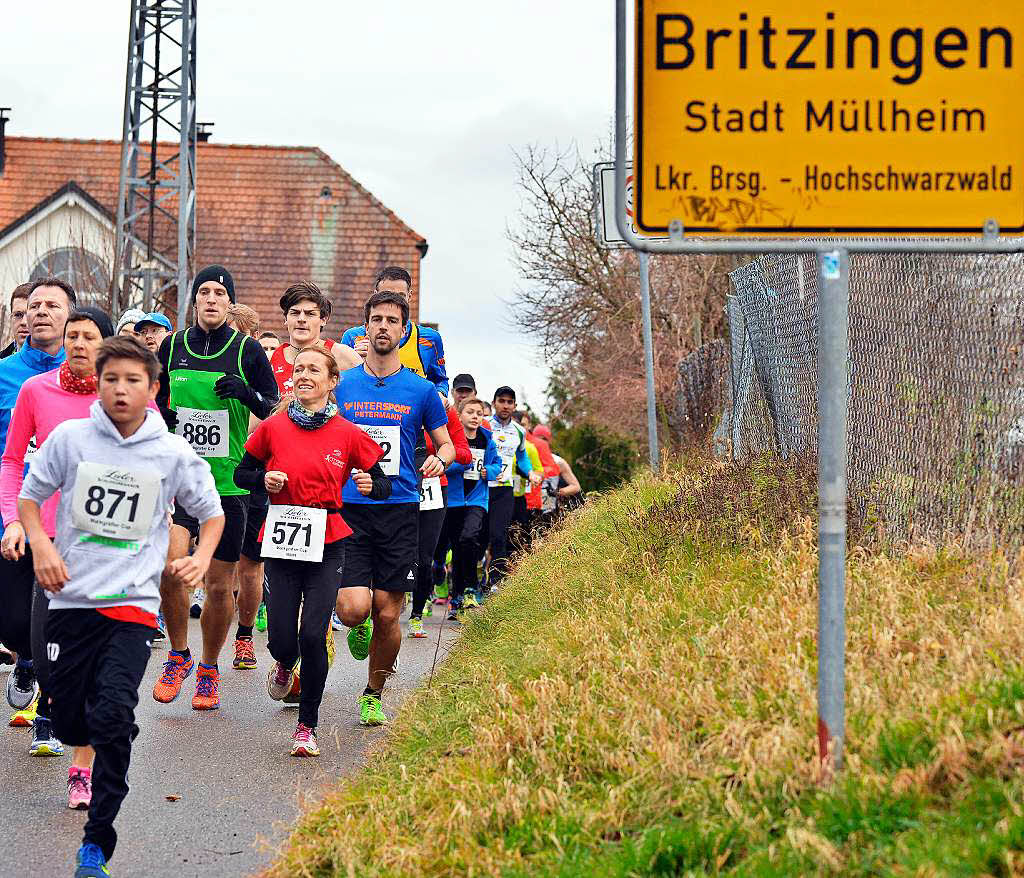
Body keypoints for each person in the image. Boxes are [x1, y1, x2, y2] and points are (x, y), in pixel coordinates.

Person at [19, 334, 223, 878]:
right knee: (67, 717)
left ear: (153, 388)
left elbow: (212, 513)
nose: (121, 390)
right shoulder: (70, 438)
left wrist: (201, 557)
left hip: (131, 603)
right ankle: (106, 724)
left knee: (111, 714)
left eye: (134, 380)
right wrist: (40, 543)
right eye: (112, 379)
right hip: (68, 599)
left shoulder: (172, 453)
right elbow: (31, 497)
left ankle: (96, 844)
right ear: (99, 384)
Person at [234, 345, 390, 755]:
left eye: (313, 370)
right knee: (283, 638)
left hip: (328, 539)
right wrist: (264, 478)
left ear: (331, 381)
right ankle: (284, 664)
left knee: (312, 635)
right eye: (298, 368)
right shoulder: (273, 426)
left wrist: (373, 485)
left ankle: (308, 726)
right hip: (283, 536)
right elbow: (242, 471)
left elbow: (383, 480)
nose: (303, 375)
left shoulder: (348, 432)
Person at [153, 265, 278, 710]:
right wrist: (162, 416)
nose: (210, 299)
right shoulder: (172, 346)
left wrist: (245, 394)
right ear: (194, 301)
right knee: (172, 567)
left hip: (228, 485)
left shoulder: (246, 350)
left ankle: (208, 667)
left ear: (230, 303)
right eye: (203, 291)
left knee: (220, 585)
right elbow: (155, 396)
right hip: (179, 482)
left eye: (218, 293)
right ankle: (177, 655)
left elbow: (272, 404)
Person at [1, 308, 114, 800]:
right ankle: (49, 696)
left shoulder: (126, 395)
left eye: (90, 336)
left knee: (91, 656)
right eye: (74, 335)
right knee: (43, 655)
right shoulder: (36, 391)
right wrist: (12, 520)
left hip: (105, 549)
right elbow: (10, 460)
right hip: (46, 543)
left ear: (106, 344)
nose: (80, 343)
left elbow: (155, 465)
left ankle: (82, 765)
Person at [335, 290, 453, 726]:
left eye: (392, 320)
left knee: (389, 612)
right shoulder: (343, 386)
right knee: (353, 609)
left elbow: (446, 443)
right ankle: (356, 623)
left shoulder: (421, 391)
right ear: (365, 327)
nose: (383, 326)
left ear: (404, 332)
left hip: (401, 509)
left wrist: (440, 457)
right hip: (350, 507)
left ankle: (373, 692)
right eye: (376, 319)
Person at [0, 277, 74, 725]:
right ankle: (25, 658)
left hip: (68, 516)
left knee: (54, 619)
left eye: (52, 305)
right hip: (12, 511)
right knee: (11, 623)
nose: (41, 312)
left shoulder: (87, 375)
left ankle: (47, 712)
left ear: (70, 316)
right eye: (34, 305)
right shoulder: (6, 374)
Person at [225, 300, 269, 669]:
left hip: (253, 478)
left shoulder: (257, 365)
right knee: (219, 565)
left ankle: (244, 634)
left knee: (250, 565)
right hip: (215, 474)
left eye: (242, 338)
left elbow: (268, 412)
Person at [408, 394, 471, 638]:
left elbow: (464, 453)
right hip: (399, 484)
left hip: (434, 487)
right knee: (396, 550)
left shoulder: (444, 411)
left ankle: (416, 615)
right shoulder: (396, 402)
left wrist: (442, 459)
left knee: (424, 556)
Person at [340, 267, 449, 397]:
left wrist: (440, 397)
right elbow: (336, 382)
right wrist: (353, 359)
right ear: (375, 294)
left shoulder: (429, 339)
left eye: (400, 296)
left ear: (409, 296)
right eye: (386, 294)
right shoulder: (353, 337)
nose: (394, 301)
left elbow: (440, 381)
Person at [443, 398, 500, 619]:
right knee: (457, 548)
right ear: (460, 415)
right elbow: (443, 465)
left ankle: (471, 588)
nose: (476, 416)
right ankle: (457, 596)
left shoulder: (487, 440)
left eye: (479, 413)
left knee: (469, 538)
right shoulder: (451, 440)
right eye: (470, 412)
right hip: (455, 499)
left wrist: (490, 471)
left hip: (477, 499)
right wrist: (461, 463)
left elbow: (496, 463)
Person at [485, 386, 537, 588]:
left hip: (504, 489)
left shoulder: (519, 431)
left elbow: (522, 458)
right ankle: (467, 587)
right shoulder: (484, 425)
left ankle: (496, 584)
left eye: (509, 402)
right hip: (482, 487)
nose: (505, 405)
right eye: (502, 401)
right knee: (478, 537)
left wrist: (530, 472)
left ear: (514, 406)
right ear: (494, 403)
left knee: (499, 536)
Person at [269, 281, 360, 395]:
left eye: (310, 314)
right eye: (295, 313)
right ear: (286, 319)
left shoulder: (343, 355)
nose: (301, 319)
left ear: (324, 319)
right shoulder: (269, 359)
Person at [0, 282, 32, 359]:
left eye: (30, 315)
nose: (24, 322)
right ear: (11, 318)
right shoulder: (1, 363)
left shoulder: (63, 365)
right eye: (18, 315)